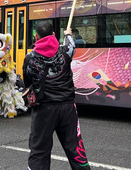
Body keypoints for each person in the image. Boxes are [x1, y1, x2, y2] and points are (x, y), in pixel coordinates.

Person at [23, 21, 91, 169]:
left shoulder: (30, 58)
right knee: (75, 146)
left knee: (39, 149)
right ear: (53, 35)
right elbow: (71, 43)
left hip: (43, 109)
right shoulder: (66, 52)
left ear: (36, 37)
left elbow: (27, 82)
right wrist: (68, 34)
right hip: (68, 107)